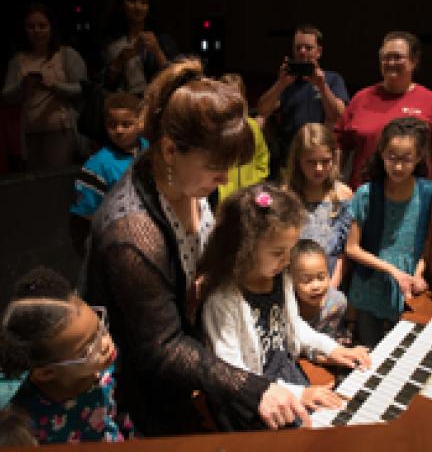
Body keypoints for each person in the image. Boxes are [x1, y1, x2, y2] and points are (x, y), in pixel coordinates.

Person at [84, 56, 319, 434]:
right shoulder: (131, 235)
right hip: (145, 391)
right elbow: (162, 348)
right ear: (169, 150)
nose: (225, 177)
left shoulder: (189, 182)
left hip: (193, 366)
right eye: (216, 167)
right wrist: (254, 387)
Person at [199, 184, 370, 426]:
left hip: (284, 379)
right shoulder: (223, 301)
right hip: (253, 398)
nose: (288, 260)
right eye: (279, 252)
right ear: (244, 249)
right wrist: (300, 394)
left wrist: (332, 349)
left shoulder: (279, 277)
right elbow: (235, 374)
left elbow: (293, 326)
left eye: (290, 250)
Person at [0, 267, 134, 444]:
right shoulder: (22, 422)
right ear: (46, 373)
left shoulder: (103, 369)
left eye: (100, 328)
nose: (106, 344)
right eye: (87, 349)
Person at [345, 117, 432, 348]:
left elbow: (429, 242)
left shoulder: (428, 193)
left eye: (406, 159)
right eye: (391, 158)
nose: (398, 166)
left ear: (419, 157)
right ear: (381, 154)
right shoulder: (367, 193)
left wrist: (418, 273)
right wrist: (393, 270)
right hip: (370, 289)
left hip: (409, 292)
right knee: (370, 355)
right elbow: (351, 248)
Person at [336, 30, 432, 190]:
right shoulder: (361, 98)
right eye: (386, 57)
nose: (391, 62)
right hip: (363, 196)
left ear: (414, 61)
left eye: (397, 57)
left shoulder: (431, 102)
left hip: (412, 201)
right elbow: (340, 145)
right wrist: (333, 186)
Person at [2, 3, 88, 170]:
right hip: (30, 131)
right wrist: (22, 85)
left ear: (51, 28)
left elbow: (83, 89)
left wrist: (54, 86)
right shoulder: (18, 59)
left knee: (54, 181)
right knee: (36, 184)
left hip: (60, 130)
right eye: (31, 26)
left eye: (42, 26)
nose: (36, 31)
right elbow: (6, 96)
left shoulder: (66, 54)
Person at [257, 24, 349, 176]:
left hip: (320, 162)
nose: (302, 52)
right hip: (290, 161)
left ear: (319, 51)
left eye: (308, 47)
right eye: (298, 47)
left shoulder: (332, 79)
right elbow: (262, 111)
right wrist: (281, 84)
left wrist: (322, 86)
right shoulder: (286, 83)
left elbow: (339, 116)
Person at [286, 122, 353, 288]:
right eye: (310, 162)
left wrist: (331, 287)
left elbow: (344, 252)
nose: (319, 168)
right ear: (298, 161)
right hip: (293, 284)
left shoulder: (343, 195)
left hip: (330, 281)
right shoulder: (287, 197)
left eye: (325, 161)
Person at [70, 91, 149, 220]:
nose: (119, 130)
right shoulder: (97, 165)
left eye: (126, 124)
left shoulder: (151, 151)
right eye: (112, 125)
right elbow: (86, 213)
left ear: (140, 124)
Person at [102, 0, 178, 97]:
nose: (138, 7)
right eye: (132, 0)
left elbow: (176, 79)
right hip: (121, 105)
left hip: (154, 102)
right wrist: (119, 60)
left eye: (144, 2)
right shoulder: (111, 41)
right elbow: (106, 86)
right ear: (122, 4)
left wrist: (157, 51)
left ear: (149, 8)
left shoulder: (163, 40)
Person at [217, 73, 269, 202]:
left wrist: (256, 181)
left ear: (243, 98)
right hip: (221, 196)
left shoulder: (252, 126)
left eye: (235, 94)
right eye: (226, 94)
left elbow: (262, 157)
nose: (231, 99)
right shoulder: (214, 127)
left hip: (249, 194)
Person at [290, 239, 350, 345]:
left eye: (321, 277)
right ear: (291, 281)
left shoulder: (337, 303)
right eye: (306, 281)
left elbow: (330, 337)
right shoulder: (287, 306)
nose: (316, 286)